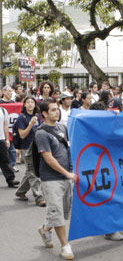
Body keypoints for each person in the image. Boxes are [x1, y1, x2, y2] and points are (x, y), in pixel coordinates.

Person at [35, 99, 76, 259]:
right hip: (51, 179)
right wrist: (67, 174)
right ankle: (65, 246)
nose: (57, 112)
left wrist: (71, 170)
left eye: (57, 109)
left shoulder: (62, 128)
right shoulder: (41, 133)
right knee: (58, 213)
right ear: (44, 114)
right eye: (52, 110)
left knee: (61, 211)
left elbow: (67, 149)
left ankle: (45, 229)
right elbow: (48, 158)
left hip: (66, 177)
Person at [14, 96, 45, 206]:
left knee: (30, 172)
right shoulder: (21, 118)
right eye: (28, 102)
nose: (31, 104)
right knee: (33, 173)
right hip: (26, 148)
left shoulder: (37, 116)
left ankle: (20, 191)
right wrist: (31, 124)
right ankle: (39, 197)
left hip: (37, 147)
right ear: (24, 105)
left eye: (32, 102)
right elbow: (22, 135)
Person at [0, 105, 19, 187]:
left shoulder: (3, 110)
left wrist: (7, 139)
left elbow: (5, 125)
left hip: (1, 139)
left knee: (5, 160)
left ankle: (10, 179)